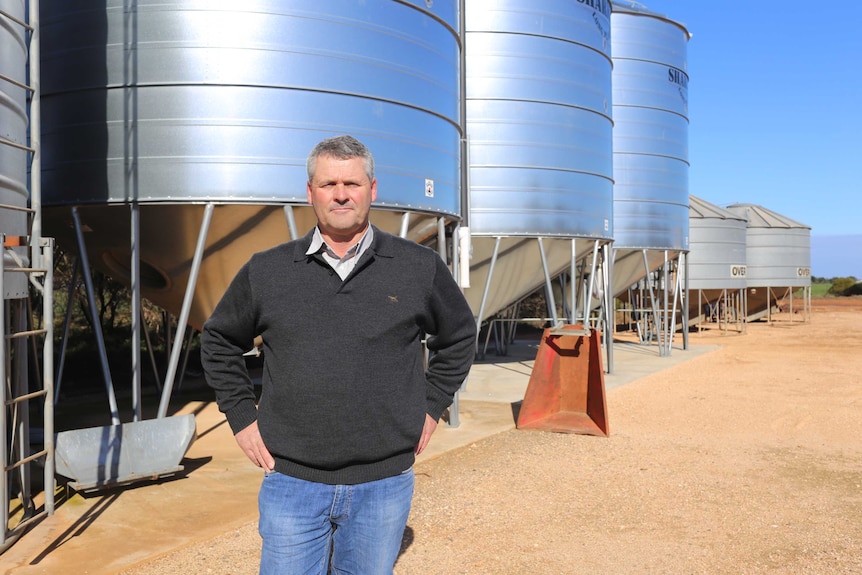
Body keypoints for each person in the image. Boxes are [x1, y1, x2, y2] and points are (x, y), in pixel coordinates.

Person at [201, 134, 477, 574]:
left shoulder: (418, 267)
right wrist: (239, 413)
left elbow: (460, 335)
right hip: (292, 480)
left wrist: (431, 405)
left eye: (352, 183)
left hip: (383, 483)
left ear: (373, 189)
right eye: (329, 184)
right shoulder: (268, 270)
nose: (342, 194)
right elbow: (218, 340)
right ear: (310, 193)